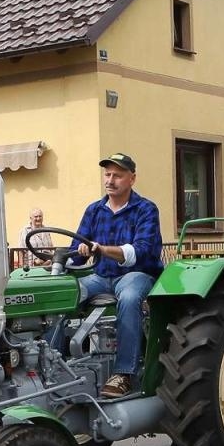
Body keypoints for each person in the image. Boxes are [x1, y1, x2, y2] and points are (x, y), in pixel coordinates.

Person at [63, 152, 163, 399]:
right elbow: (77, 252)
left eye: (117, 175)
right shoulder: (94, 210)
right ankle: (55, 367)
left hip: (136, 274)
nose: (110, 180)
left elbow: (141, 251)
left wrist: (102, 249)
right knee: (64, 293)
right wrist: (62, 260)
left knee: (129, 298)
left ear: (132, 179)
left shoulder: (146, 209)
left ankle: (124, 374)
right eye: (107, 174)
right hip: (100, 277)